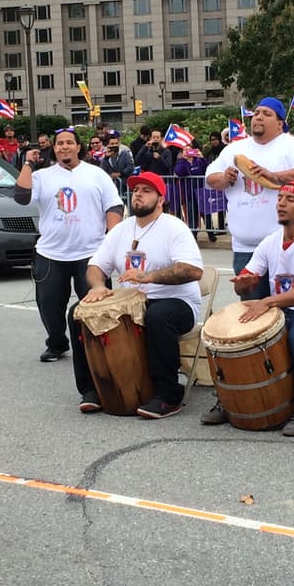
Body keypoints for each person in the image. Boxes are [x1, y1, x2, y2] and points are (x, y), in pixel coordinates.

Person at [74, 172, 204, 419]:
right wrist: (98, 285)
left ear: (160, 199)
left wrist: (150, 277)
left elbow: (193, 270)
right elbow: (95, 266)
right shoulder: (121, 230)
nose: (139, 194)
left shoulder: (174, 227)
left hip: (177, 302)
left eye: (146, 190)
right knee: (79, 312)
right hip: (134, 302)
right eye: (135, 190)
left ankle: (168, 396)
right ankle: (92, 389)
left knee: (158, 315)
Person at [215, 182, 294, 436]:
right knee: (232, 333)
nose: (281, 203)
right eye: (280, 197)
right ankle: (231, 402)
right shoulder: (270, 241)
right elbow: (245, 283)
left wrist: (268, 301)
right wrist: (244, 285)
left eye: (290, 199)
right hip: (281, 311)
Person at [15, 129, 124, 362]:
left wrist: (112, 238)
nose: (64, 147)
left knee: (96, 305)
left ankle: (97, 345)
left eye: (69, 143)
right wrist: (28, 163)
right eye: (59, 143)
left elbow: (114, 206)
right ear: (54, 148)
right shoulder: (42, 176)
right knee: (49, 304)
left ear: (78, 147)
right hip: (51, 253)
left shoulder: (96, 174)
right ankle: (56, 343)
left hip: (90, 254)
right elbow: (21, 197)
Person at [204, 96, 294, 293]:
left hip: (288, 245)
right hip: (246, 247)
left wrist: (272, 175)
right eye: (256, 113)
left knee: (290, 307)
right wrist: (225, 178)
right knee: (251, 312)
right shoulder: (235, 149)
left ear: (279, 123)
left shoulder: (293, 146)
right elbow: (210, 177)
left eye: (266, 114)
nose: (258, 117)